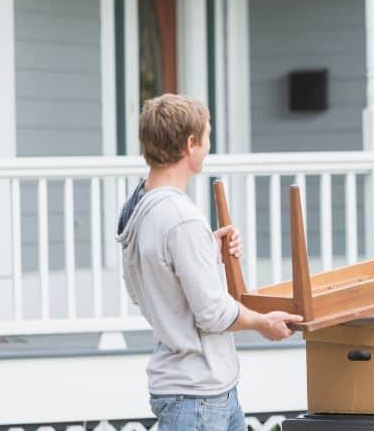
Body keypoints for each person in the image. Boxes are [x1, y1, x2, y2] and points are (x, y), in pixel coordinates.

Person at [117, 93, 302, 430]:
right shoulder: (181, 218)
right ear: (191, 144)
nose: (208, 145)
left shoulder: (142, 209)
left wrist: (206, 250)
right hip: (198, 397)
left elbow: (148, 282)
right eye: (208, 135)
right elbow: (213, 314)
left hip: (199, 390)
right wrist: (263, 322)